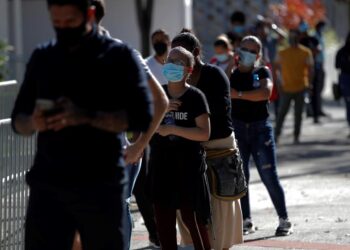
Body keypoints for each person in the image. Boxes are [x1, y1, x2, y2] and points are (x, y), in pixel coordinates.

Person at [11, 1, 153, 249]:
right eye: (57, 23)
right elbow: (18, 121)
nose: (63, 28)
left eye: (70, 22)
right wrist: (33, 122)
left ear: (88, 14)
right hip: (49, 183)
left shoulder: (119, 57)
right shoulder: (43, 58)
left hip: (100, 185)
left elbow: (141, 116)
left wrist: (85, 116)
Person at [172, 31, 243, 250]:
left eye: (181, 58)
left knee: (220, 209)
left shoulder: (214, 76)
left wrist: (192, 128)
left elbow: (219, 120)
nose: (175, 63)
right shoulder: (174, 82)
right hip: (188, 151)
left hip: (218, 150)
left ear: (195, 54)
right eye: (172, 59)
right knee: (188, 209)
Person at [148, 46, 211, 250]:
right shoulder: (158, 95)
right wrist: (162, 111)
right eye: (169, 60)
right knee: (164, 223)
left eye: (178, 62)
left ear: (188, 70)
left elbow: (204, 133)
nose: (171, 65)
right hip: (160, 168)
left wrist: (173, 129)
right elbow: (143, 130)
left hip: (188, 169)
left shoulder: (196, 97)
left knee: (192, 219)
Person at [230, 35, 293, 237]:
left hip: (259, 130)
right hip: (238, 129)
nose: (246, 54)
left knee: (268, 175)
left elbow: (264, 93)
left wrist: (238, 94)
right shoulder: (232, 73)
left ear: (257, 55)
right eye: (243, 49)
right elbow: (223, 89)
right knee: (242, 177)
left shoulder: (259, 73)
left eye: (251, 51)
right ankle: (246, 220)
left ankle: (284, 220)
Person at [274, 29, 314, 144]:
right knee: (282, 112)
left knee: (298, 113)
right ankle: (276, 134)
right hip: (286, 87)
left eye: (295, 37)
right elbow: (275, 67)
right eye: (291, 37)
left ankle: (296, 135)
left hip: (301, 87)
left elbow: (311, 69)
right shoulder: (282, 52)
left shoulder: (306, 52)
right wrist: (278, 83)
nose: (293, 39)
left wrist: (309, 84)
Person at [335, 32, 350, 138]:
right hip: (345, 78)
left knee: (348, 105)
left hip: (345, 79)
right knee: (348, 104)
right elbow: (337, 65)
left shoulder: (341, 51)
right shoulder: (342, 52)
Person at [313, 20, 327, 118]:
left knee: (320, 88)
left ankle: (319, 109)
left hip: (321, 64)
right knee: (316, 89)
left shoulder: (321, 36)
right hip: (316, 64)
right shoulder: (314, 37)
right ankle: (316, 111)